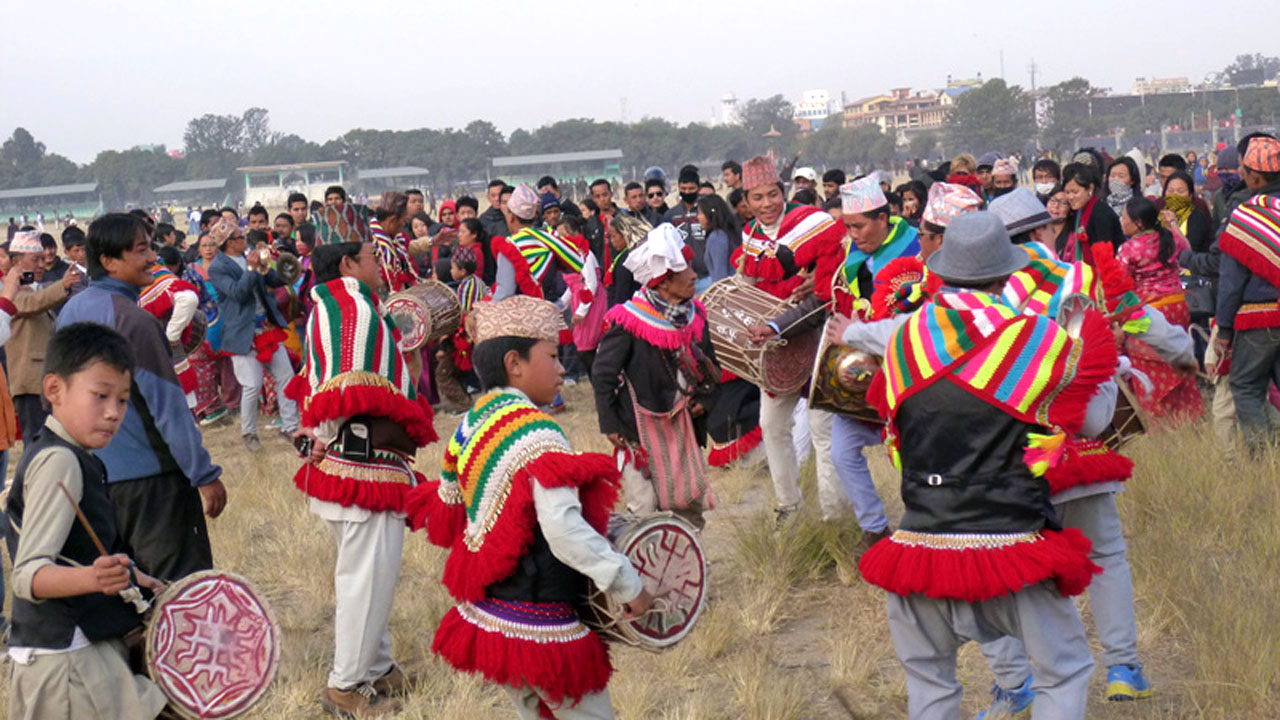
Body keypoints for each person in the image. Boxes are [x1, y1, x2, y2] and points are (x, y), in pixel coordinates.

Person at [858, 211, 1110, 720]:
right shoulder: (1032, 338)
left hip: (922, 538)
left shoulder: (904, 341)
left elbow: (894, 428)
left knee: (929, 685)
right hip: (1011, 541)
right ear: (1007, 275)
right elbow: (1093, 420)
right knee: (1063, 672)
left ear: (944, 269)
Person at [405, 295, 652, 720]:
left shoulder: (473, 423)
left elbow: (450, 507)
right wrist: (627, 584)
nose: (561, 369)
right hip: (541, 620)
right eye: (553, 357)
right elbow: (563, 529)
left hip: (494, 613)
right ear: (514, 363)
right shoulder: (536, 433)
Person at [285, 239, 437, 717]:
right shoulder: (355, 310)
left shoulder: (329, 308)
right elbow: (343, 385)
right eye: (372, 256)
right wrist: (324, 434)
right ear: (349, 264)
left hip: (347, 466)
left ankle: (376, 666)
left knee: (368, 580)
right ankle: (345, 687)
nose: (380, 264)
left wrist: (317, 436)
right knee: (365, 584)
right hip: (360, 467)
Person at [5, 322, 168, 720]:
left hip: (77, 653)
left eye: (123, 400)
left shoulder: (74, 455)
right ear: (54, 389)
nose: (113, 412)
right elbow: (27, 575)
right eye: (100, 395)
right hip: (67, 666)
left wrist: (127, 575)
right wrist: (93, 579)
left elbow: (72, 550)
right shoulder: (60, 461)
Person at [56, 213, 225, 581]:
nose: (153, 258)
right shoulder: (134, 320)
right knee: (178, 590)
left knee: (125, 592)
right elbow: (168, 407)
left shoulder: (70, 312)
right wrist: (203, 474)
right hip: (153, 483)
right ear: (108, 261)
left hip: (93, 482)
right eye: (142, 250)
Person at [734, 156, 846, 525]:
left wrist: (819, 281)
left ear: (783, 192)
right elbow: (749, 286)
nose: (766, 203)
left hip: (818, 336)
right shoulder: (750, 236)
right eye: (757, 197)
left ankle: (834, 516)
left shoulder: (813, 223)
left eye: (772, 194)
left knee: (823, 430)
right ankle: (789, 508)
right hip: (777, 345)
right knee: (772, 426)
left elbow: (830, 287)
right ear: (746, 200)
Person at [593, 225, 718, 528]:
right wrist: (610, 423)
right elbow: (603, 373)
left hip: (683, 425)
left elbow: (711, 365)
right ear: (663, 283)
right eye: (685, 271)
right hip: (638, 428)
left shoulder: (694, 315)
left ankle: (687, 554)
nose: (694, 275)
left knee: (689, 502)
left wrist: (705, 399)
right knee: (645, 508)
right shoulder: (630, 320)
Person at [207, 215, 299, 452]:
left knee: (286, 376)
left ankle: (290, 426)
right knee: (252, 385)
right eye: (240, 237)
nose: (245, 240)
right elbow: (238, 293)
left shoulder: (248, 256)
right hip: (241, 333)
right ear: (229, 242)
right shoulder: (217, 267)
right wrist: (251, 267)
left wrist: (285, 265)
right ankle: (249, 432)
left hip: (265, 327)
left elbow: (273, 280)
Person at [1215, 136, 1280, 454]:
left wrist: (1224, 329)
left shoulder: (1246, 216)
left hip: (1259, 319)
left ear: (1255, 177)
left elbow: (1231, 281)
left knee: (1246, 386)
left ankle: (1265, 459)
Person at [8, 231, 80, 451]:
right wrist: (63, 286)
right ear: (16, 262)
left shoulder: (31, 287)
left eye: (42, 259)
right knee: (36, 444)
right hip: (29, 382)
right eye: (36, 260)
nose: (41, 265)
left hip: (41, 378)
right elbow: (31, 303)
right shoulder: (9, 290)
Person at [491, 184, 589, 303]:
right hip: (552, 308)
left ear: (511, 217)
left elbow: (505, 291)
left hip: (523, 311)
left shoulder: (510, 246)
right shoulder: (549, 238)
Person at [138, 246, 202, 410]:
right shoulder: (153, 270)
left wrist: (172, 334)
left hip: (157, 353)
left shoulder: (154, 273)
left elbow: (188, 298)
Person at [184, 232, 234, 424]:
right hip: (201, 321)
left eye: (212, 245)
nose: (208, 249)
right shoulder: (192, 269)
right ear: (198, 249)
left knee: (228, 363)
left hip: (226, 317)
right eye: (204, 245)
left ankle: (232, 403)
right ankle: (209, 406)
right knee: (201, 365)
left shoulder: (226, 266)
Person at [1059, 162, 1124, 264]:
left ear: (1090, 188)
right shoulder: (1078, 211)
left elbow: (1105, 256)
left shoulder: (1101, 214)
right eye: (1067, 192)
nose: (1070, 197)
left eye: (1075, 192)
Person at [1159, 171, 1214, 253]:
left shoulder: (1197, 217)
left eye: (1180, 191)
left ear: (1190, 194)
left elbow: (1192, 249)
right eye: (1170, 191)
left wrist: (1173, 224)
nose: (1175, 195)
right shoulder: (1158, 213)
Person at [663, 167, 706, 270]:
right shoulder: (671, 214)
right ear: (678, 187)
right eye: (683, 189)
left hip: (706, 271)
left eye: (691, 188)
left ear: (698, 188)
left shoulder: (706, 211)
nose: (687, 192)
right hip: (682, 271)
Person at [604, 213, 650, 308]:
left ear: (625, 234)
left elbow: (622, 293)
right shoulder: (636, 252)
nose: (612, 241)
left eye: (614, 236)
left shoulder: (626, 259)